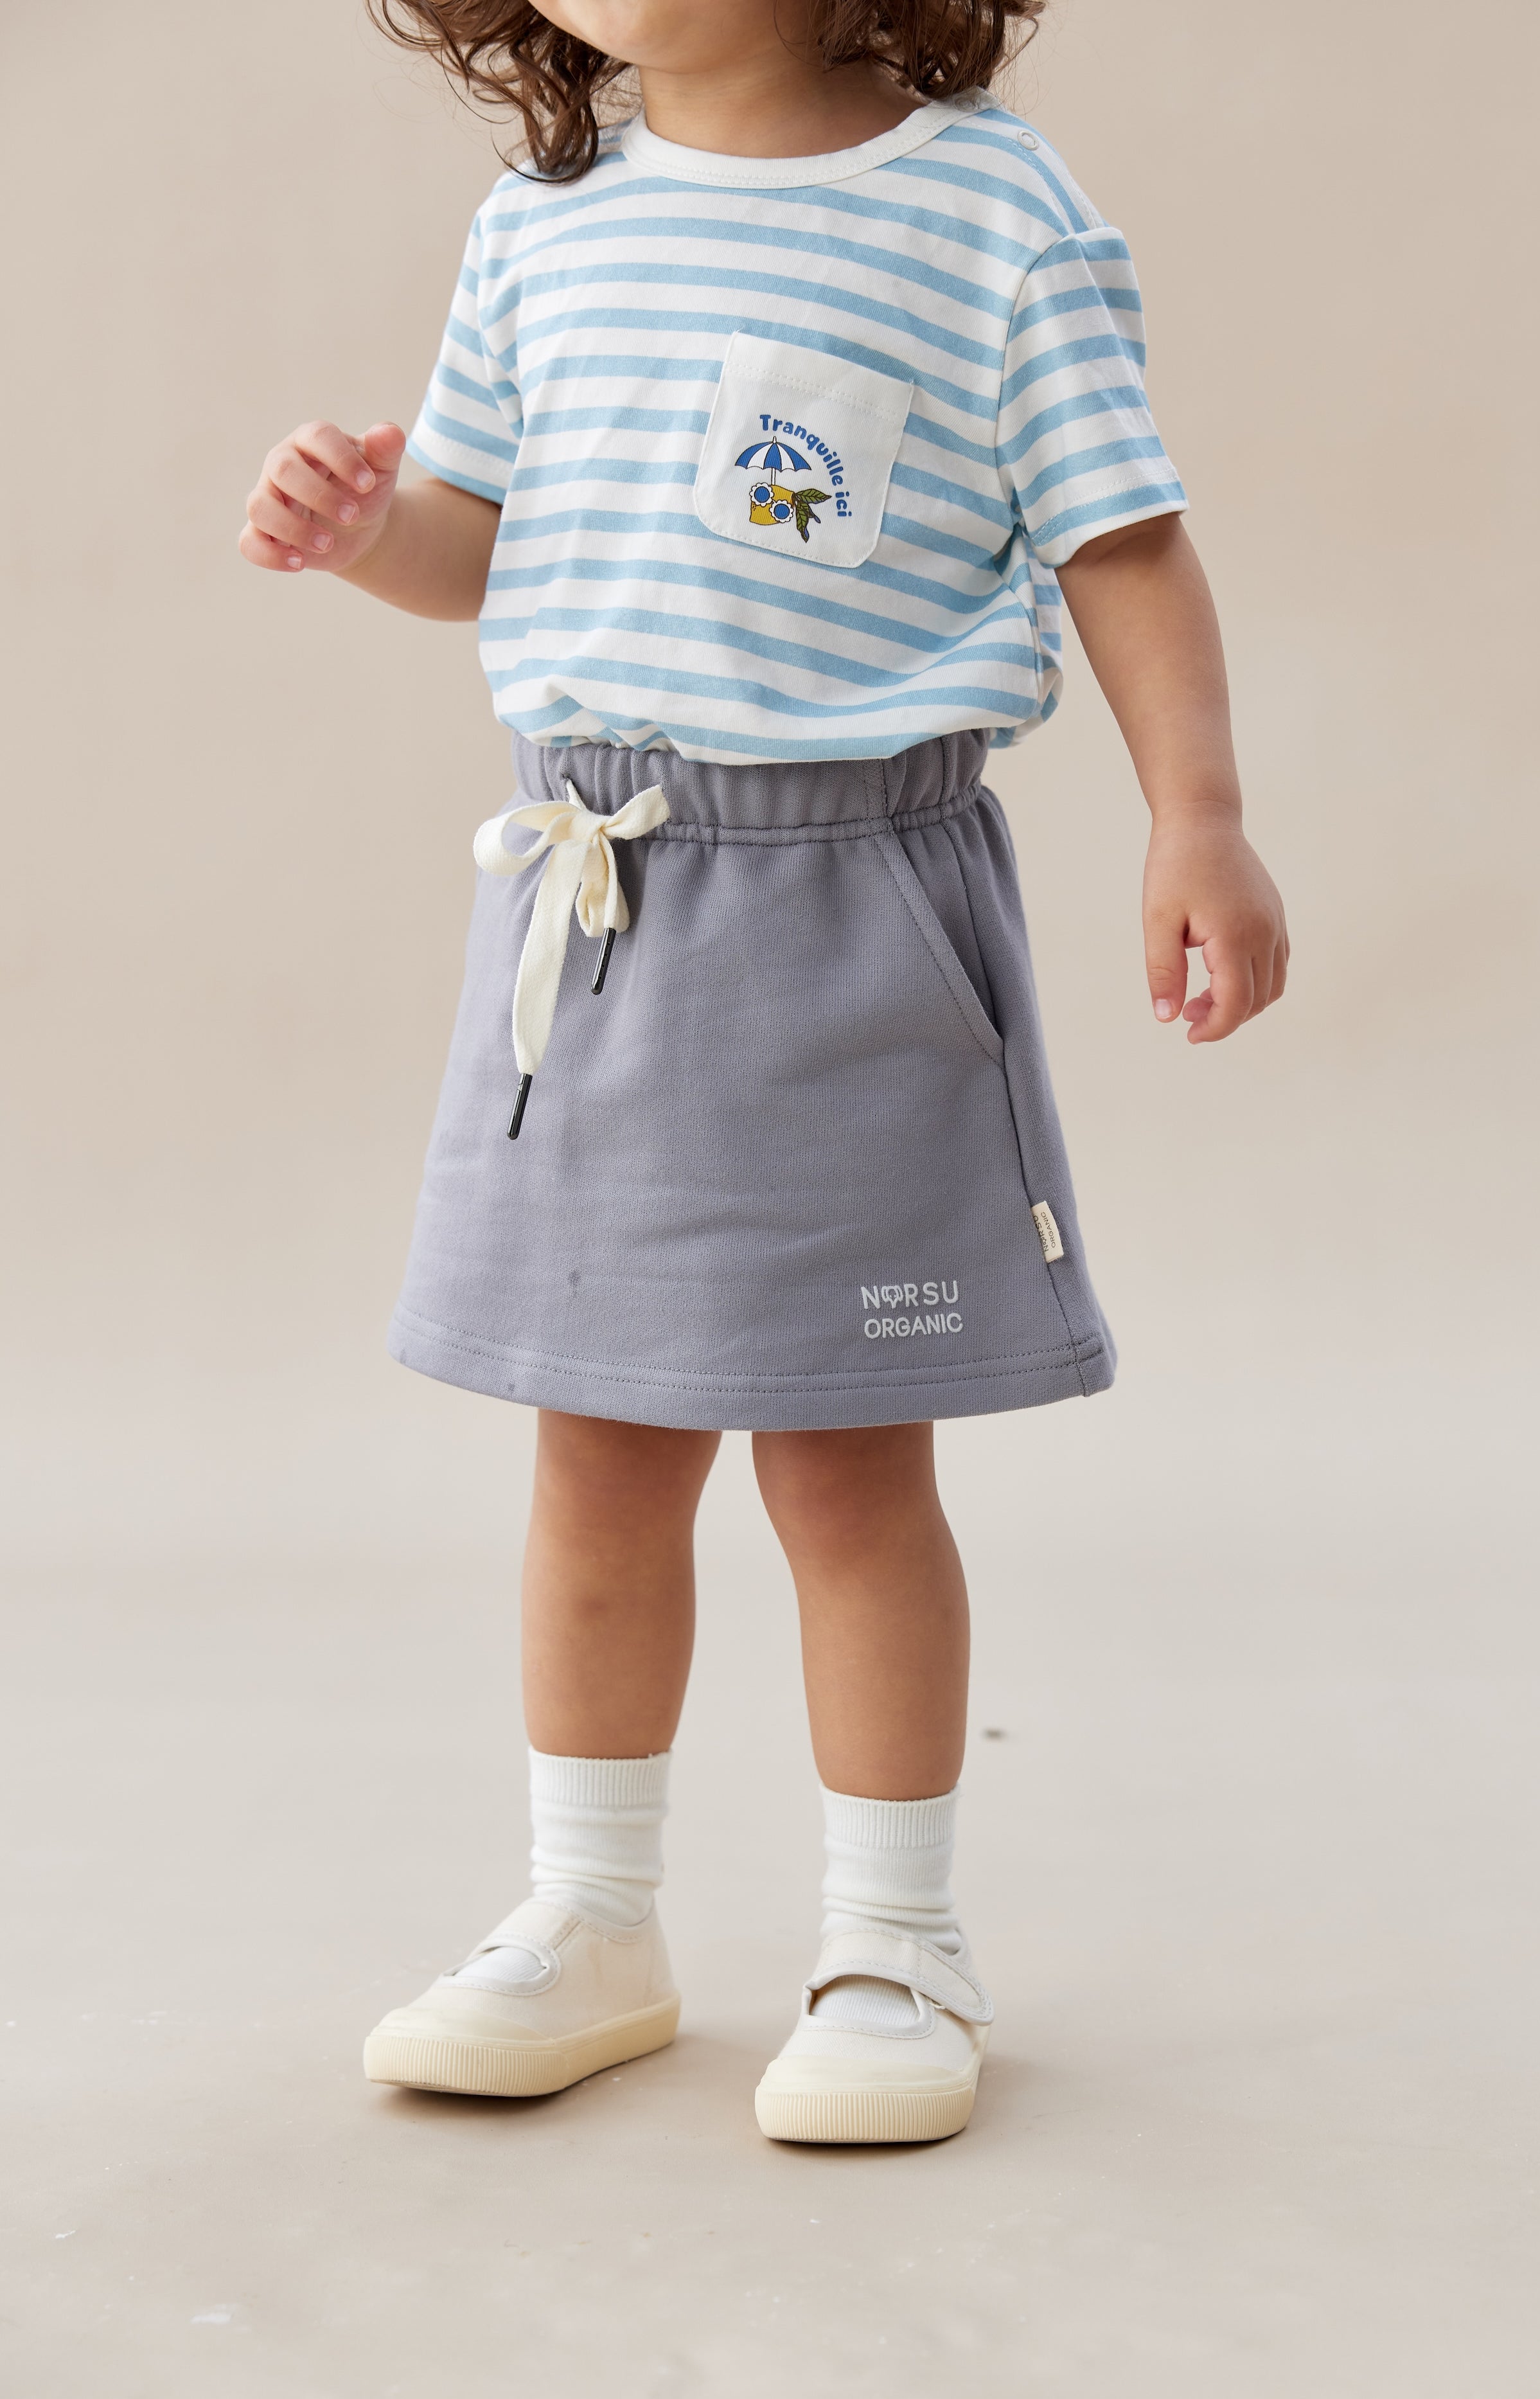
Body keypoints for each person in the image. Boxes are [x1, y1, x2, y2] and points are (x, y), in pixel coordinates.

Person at [240, 0, 1287, 2145]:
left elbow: (1121, 538)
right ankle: (589, 1916)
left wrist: (1196, 814)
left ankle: (894, 1943)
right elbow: (474, 535)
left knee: (844, 1465)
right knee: (598, 1453)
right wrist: (366, 528)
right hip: (590, 911)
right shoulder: (545, 221)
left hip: (850, 918)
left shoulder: (991, 209)